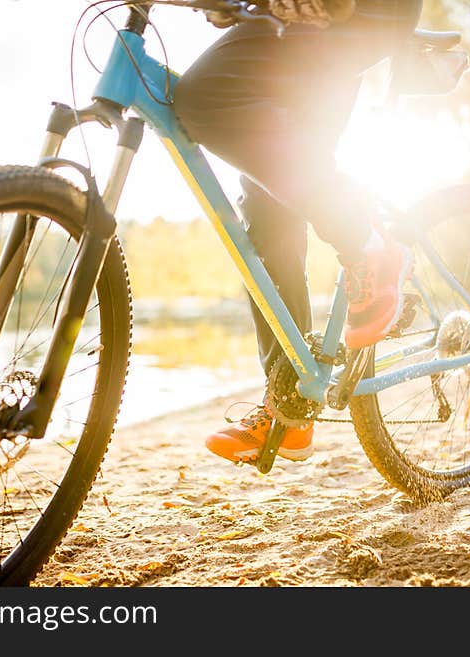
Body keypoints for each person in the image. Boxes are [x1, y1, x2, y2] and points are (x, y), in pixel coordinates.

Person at [172, 0, 423, 464]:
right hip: (305, 17)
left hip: (355, 12)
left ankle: (365, 240)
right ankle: (289, 407)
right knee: (269, 200)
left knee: (201, 96)